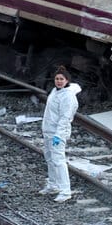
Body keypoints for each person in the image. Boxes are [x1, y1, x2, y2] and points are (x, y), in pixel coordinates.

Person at [40, 66, 81, 203]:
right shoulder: (55, 91)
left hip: (58, 133)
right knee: (50, 158)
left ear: (67, 80)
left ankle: (65, 191)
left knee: (59, 161)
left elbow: (65, 117)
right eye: (57, 79)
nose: (58, 81)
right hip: (48, 130)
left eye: (61, 79)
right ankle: (53, 185)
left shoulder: (68, 96)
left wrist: (58, 134)